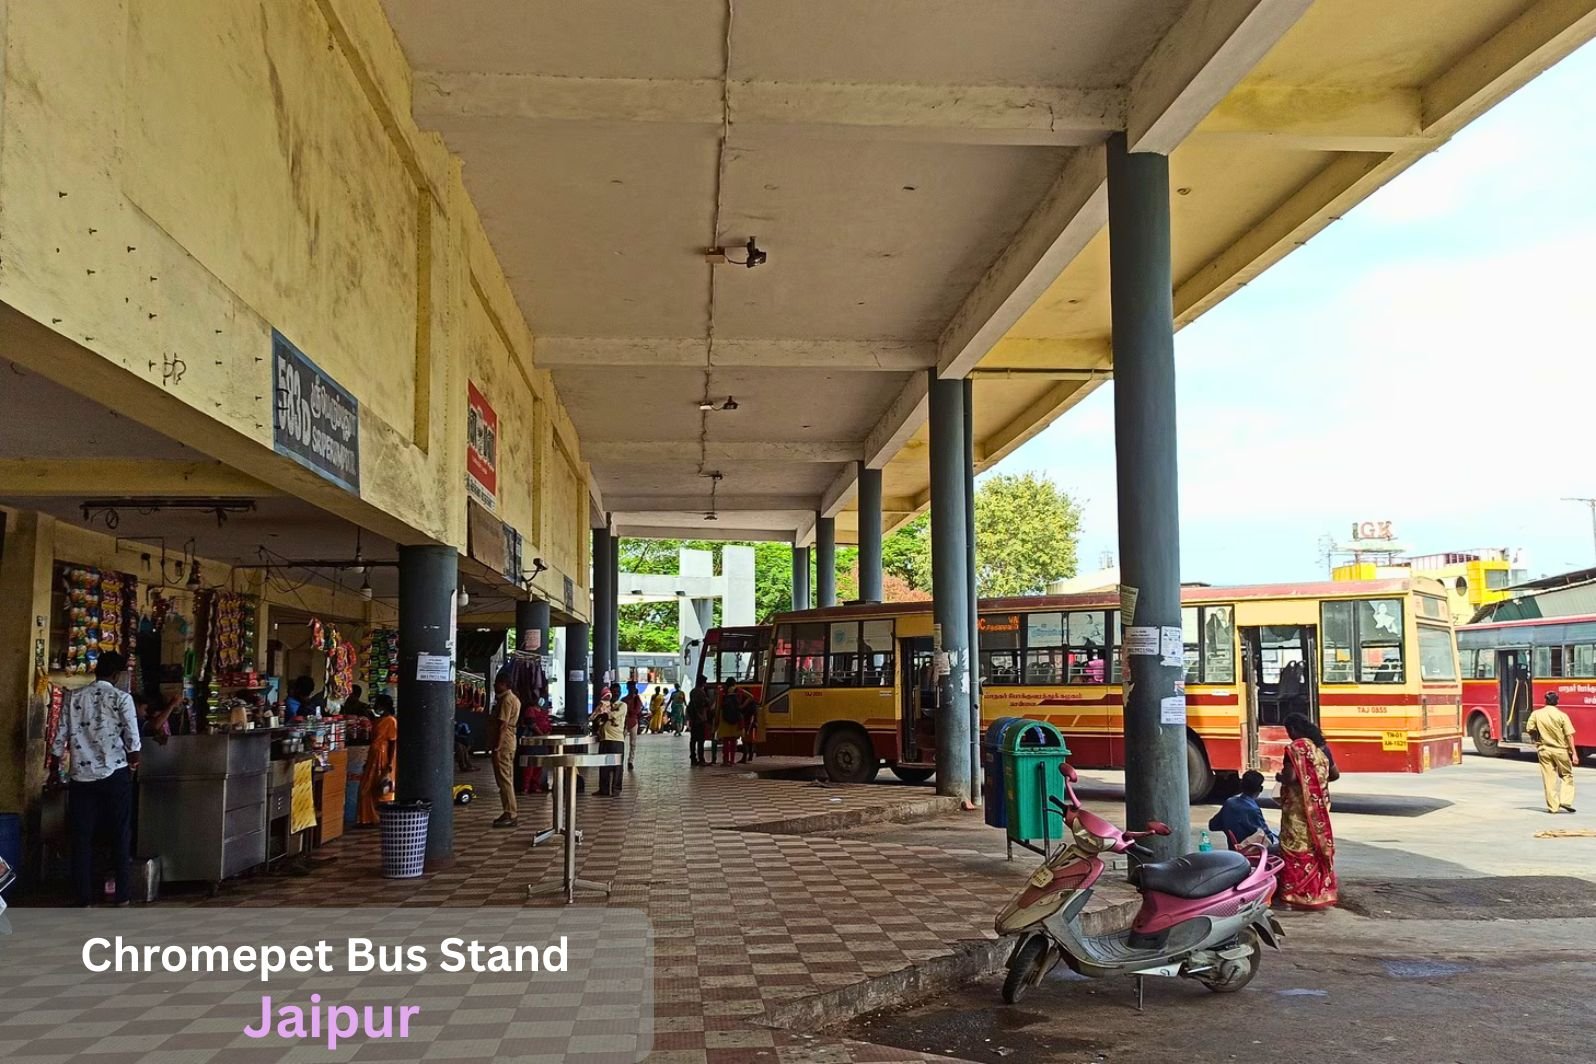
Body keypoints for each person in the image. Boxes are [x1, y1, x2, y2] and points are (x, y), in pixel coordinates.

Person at [51, 652, 141, 906]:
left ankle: (83, 896)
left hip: (81, 776)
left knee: (81, 837)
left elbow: (60, 736)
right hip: (115, 773)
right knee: (120, 833)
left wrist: (55, 769)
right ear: (117, 675)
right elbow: (133, 738)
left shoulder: (74, 697)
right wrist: (134, 761)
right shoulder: (122, 698)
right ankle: (122, 895)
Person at [1276, 714, 1338, 910]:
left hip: (1298, 811)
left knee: (1295, 848)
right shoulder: (1322, 749)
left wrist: (1281, 777)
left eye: (1289, 731)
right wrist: (1315, 782)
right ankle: (1320, 892)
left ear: (1294, 729)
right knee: (1316, 847)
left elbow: (1291, 777)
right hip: (1318, 810)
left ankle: (1296, 895)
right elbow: (1335, 775)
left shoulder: (1295, 750)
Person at [1526, 691, 1577, 814]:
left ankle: (1553, 807)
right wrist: (1574, 753)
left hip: (1544, 750)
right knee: (1566, 775)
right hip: (1560, 750)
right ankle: (1565, 800)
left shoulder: (1536, 714)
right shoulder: (1562, 716)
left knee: (1549, 778)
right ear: (1557, 701)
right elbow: (1569, 736)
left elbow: (1530, 729)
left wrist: (1538, 739)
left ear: (1546, 701)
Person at [356, 694, 397, 827]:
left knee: (378, 788)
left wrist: (390, 763)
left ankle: (375, 818)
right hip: (373, 755)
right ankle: (367, 818)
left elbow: (393, 743)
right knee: (366, 787)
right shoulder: (379, 720)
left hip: (382, 756)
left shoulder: (391, 721)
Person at [1209, 770, 1278, 849]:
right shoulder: (1253, 810)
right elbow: (1267, 837)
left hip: (1233, 849)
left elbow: (1213, 825)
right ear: (1260, 789)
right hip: (1250, 850)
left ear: (1241, 786)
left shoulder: (1229, 803)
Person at [489, 673, 521, 828]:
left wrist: (497, 746)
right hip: (509, 740)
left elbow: (503, 724)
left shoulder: (507, 700)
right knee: (505, 776)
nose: (495, 686)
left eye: (497, 683)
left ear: (504, 684)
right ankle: (508, 811)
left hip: (505, 742)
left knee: (504, 778)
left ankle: (510, 812)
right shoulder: (513, 699)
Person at [592, 688, 627, 796]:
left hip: (616, 739)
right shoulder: (603, 705)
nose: (615, 694)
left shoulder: (622, 705)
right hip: (604, 738)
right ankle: (603, 789)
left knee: (617, 766)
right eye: (613, 692)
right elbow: (595, 718)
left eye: (617, 692)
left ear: (620, 693)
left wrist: (604, 715)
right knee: (603, 765)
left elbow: (612, 715)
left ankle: (616, 789)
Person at [518, 697, 553, 794]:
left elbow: (548, 723)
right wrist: (541, 734)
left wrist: (547, 733)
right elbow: (532, 724)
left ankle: (535, 785)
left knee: (539, 764)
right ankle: (525, 786)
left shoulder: (543, 711)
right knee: (529, 765)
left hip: (542, 742)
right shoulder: (530, 710)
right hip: (532, 741)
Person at [715, 678, 744, 766]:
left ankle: (725, 761)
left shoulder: (722, 691)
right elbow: (751, 697)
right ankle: (732, 760)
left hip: (724, 718)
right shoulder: (738, 690)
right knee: (733, 741)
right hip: (735, 718)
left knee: (726, 741)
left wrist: (716, 719)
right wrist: (741, 707)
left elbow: (719, 706)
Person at [686, 683, 711, 765]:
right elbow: (707, 703)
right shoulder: (701, 692)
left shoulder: (692, 692)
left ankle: (693, 758)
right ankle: (701, 759)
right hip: (701, 720)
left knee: (693, 740)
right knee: (701, 740)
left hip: (693, 720)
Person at [622, 682, 645, 771]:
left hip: (633, 722)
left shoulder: (636, 699)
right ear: (628, 688)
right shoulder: (624, 699)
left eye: (633, 687)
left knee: (633, 743)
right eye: (630, 687)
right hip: (624, 723)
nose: (632, 689)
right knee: (621, 742)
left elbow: (636, 711)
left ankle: (630, 761)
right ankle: (620, 759)